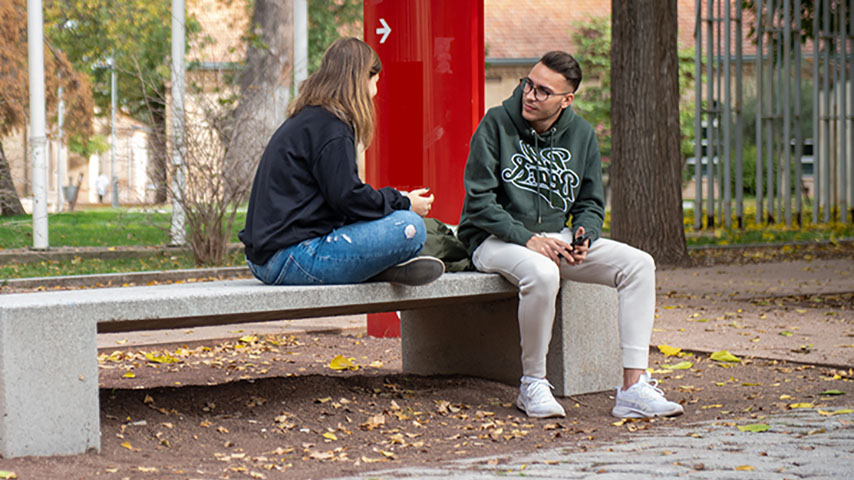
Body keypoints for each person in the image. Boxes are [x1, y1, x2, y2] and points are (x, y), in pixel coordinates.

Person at [457, 51, 684, 419]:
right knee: (543, 272)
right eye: (528, 84)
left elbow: (591, 203)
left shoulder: (581, 135)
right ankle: (533, 384)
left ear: (567, 100)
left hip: (554, 237)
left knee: (639, 265)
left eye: (543, 91)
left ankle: (633, 387)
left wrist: (584, 234)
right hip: (492, 240)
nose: (530, 95)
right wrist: (527, 238)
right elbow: (479, 203)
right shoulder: (496, 124)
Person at [239, 37, 443, 287]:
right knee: (411, 227)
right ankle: (375, 267)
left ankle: (369, 267)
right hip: (290, 257)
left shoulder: (310, 119)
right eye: (375, 81)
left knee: (393, 220)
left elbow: (339, 200)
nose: (375, 92)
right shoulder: (333, 129)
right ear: (360, 80)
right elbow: (349, 199)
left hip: (268, 257)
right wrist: (404, 201)